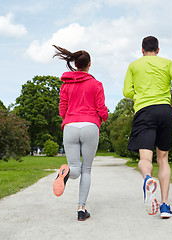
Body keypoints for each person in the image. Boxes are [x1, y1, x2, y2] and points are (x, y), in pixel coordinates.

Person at [123, 36, 172, 218]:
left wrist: (139, 95)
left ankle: (148, 179)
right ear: (158, 49)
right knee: (163, 159)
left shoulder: (134, 65)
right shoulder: (168, 63)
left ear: (142, 50)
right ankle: (165, 206)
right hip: (165, 110)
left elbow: (126, 91)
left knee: (145, 158)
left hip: (144, 111)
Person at [52, 46, 108, 221]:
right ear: (89, 64)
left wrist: (71, 116)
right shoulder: (96, 84)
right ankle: (81, 210)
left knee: (75, 168)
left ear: (75, 65)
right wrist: (104, 117)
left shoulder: (65, 85)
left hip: (70, 126)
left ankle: (66, 172)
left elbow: (62, 111)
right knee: (87, 169)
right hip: (90, 126)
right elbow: (101, 109)